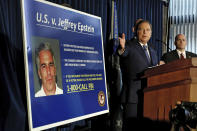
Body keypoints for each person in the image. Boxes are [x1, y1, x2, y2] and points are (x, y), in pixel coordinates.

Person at [118, 20, 158, 129]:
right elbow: (123, 52)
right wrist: (122, 48)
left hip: (150, 97)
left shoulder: (153, 51)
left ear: (151, 33)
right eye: (142, 29)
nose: (145, 32)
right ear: (136, 32)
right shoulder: (129, 45)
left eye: (148, 30)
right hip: (132, 98)